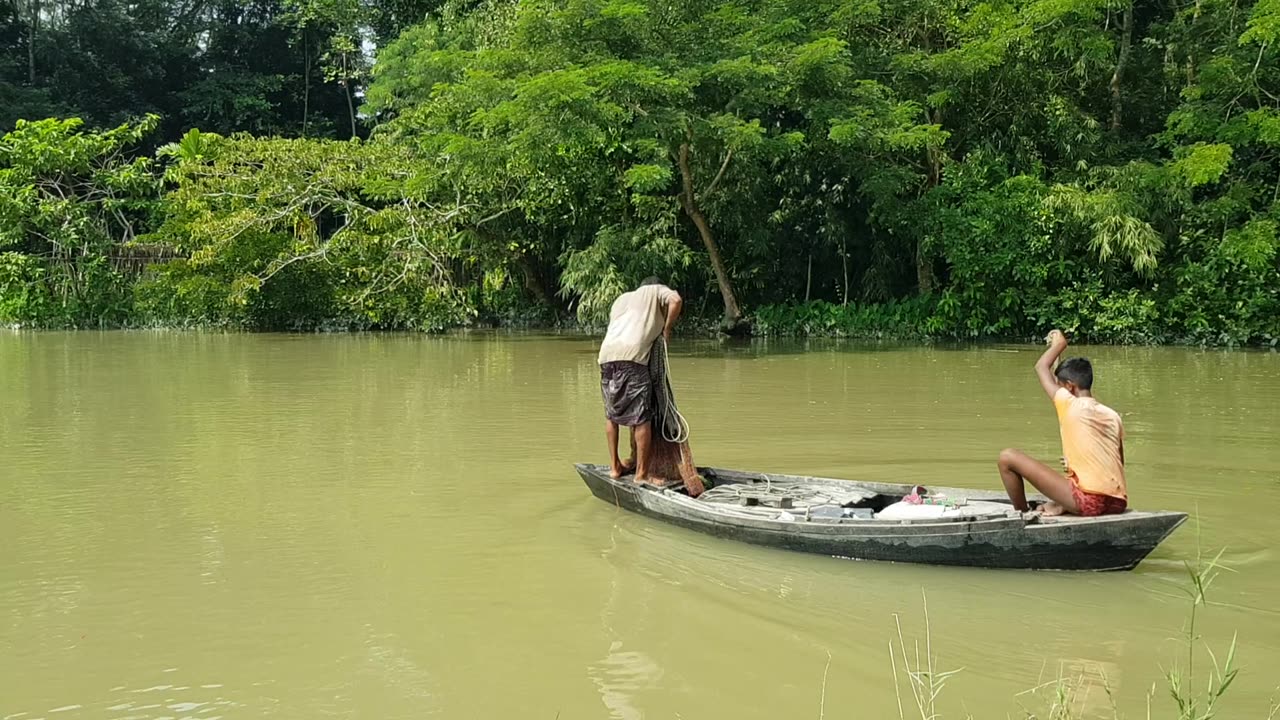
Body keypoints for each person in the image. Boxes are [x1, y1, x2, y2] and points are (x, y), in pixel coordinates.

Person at [997, 330, 1128, 517]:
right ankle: (1064, 503)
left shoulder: (1070, 403)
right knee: (1070, 483)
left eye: (1060, 385)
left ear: (1069, 386)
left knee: (1007, 457)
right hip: (1117, 502)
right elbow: (1117, 463)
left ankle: (1023, 514)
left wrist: (1058, 345)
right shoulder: (1112, 415)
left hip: (1089, 501)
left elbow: (1042, 367)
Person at [597, 277, 682, 483]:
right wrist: (667, 329)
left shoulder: (622, 299)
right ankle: (642, 475)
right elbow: (676, 300)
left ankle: (615, 468)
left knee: (612, 415)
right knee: (641, 417)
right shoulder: (656, 290)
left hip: (606, 357)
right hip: (632, 359)